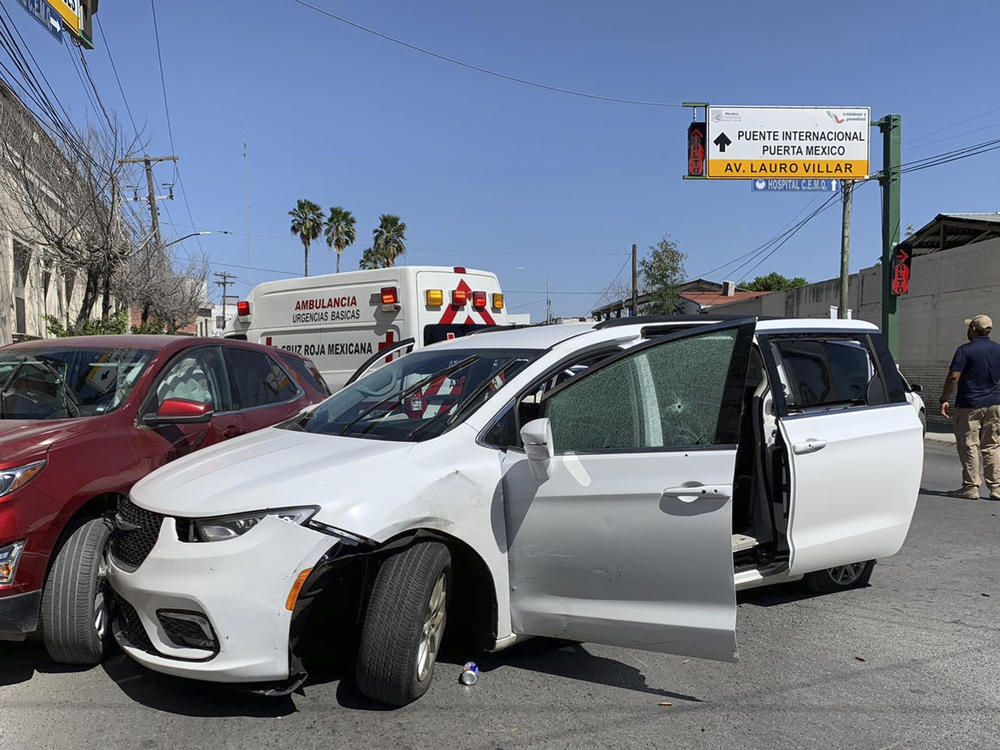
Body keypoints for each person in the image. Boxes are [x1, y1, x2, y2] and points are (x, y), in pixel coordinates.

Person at [940, 314, 1000, 500]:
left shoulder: (965, 350)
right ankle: (996, 488)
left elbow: (953, 377)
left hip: (970, 405)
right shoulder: (998, 349)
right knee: (992, 445)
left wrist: (944, 398)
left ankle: (971, 487)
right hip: (996, 404)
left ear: (973, 330)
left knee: (969, 445)